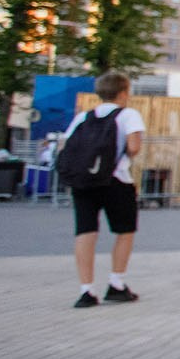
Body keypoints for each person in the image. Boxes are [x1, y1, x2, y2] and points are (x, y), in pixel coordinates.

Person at [63, 71, 144, 308]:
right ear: (123, 92)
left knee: (85, 232)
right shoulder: (129, 115)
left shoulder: (83, 117)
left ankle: (86, 289)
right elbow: (134, 147)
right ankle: (116, 282)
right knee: (124, 230)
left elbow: (68, 147)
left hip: (84, 182)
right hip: (116, 180)